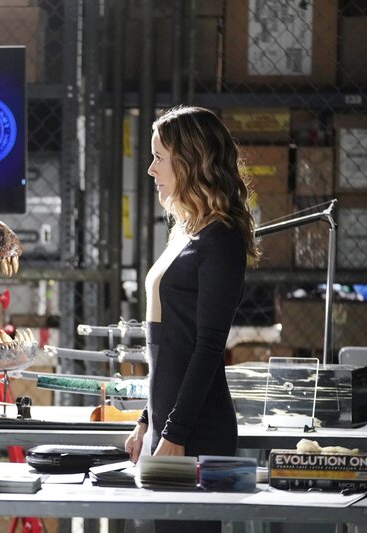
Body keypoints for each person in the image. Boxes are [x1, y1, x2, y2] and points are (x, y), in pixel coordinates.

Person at [124, 106, 258, 533]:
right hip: (168, 424)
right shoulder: (186, 232)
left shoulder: (221, 240)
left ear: (190, 161)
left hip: (194, 430)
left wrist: (175, 433)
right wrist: (146, 419)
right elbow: (170, 352)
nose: (151, 169)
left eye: (159, 157)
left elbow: (207, 348)